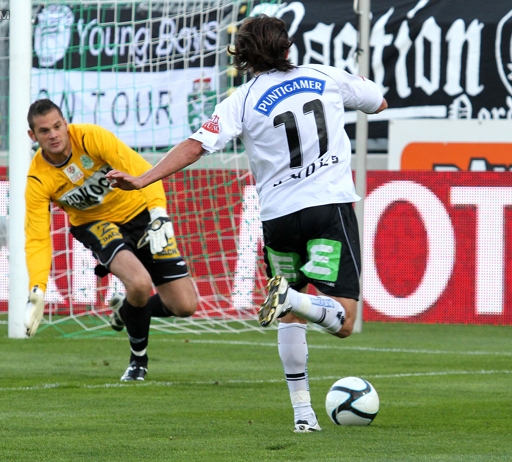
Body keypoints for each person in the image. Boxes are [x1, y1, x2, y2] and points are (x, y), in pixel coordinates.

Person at [106, 16, 387, 430]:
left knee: (290, 321)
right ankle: (292, 300)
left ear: (242, 58)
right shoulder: (323, 76)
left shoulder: (242, 99)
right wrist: (354, 86)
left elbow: (196, 145)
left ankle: (304, 416)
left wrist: (144, 177)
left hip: (277, 220)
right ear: (287, 48)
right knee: (342, 320)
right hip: (328, 209)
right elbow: (378, 101)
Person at [23, 98, 198, 381]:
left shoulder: (91, 137)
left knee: (184, 306)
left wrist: (158, 213)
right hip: (95, 224)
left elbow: (140, 168)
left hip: (141, 213)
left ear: (66, 123)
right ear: (33, 136)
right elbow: (37, 237)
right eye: (44, 131)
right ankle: (138, 360)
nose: (53, 134)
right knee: (139, 283)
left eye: (57, 126)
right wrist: (38, 288)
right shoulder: (38, 179)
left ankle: (126, 311)